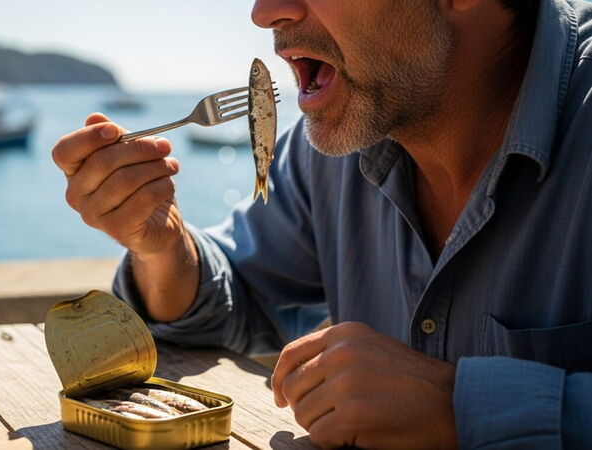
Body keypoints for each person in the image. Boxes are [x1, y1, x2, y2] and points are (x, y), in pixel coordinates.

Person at [52, 0, 592, 447]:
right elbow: (237, 296)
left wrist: (463, 408)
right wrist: (162, 247)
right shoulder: (336, 146)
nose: (264, 12)